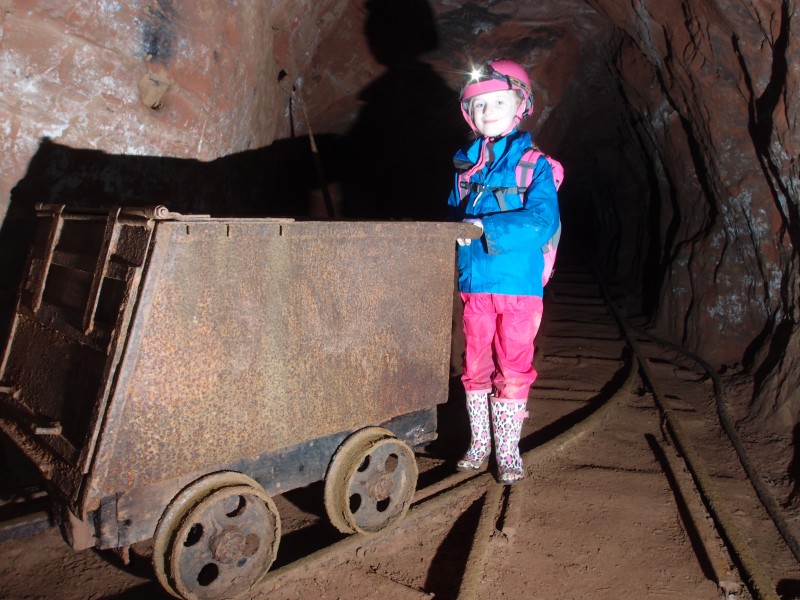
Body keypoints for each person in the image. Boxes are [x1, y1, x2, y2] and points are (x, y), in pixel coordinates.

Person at [447, 58, 560, 484]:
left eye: (498, 102)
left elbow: (542, 220)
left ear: (520, 107)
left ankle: (508, 449)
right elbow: (451, 216)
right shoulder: (464, 168)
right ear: (468, 115)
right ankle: (480, 444)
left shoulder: (535, 165)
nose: (488, 111)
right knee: (474, 361)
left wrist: (483, 228)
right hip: (475, 283)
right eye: (478, 106)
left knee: (513, 363)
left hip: (518, 284)